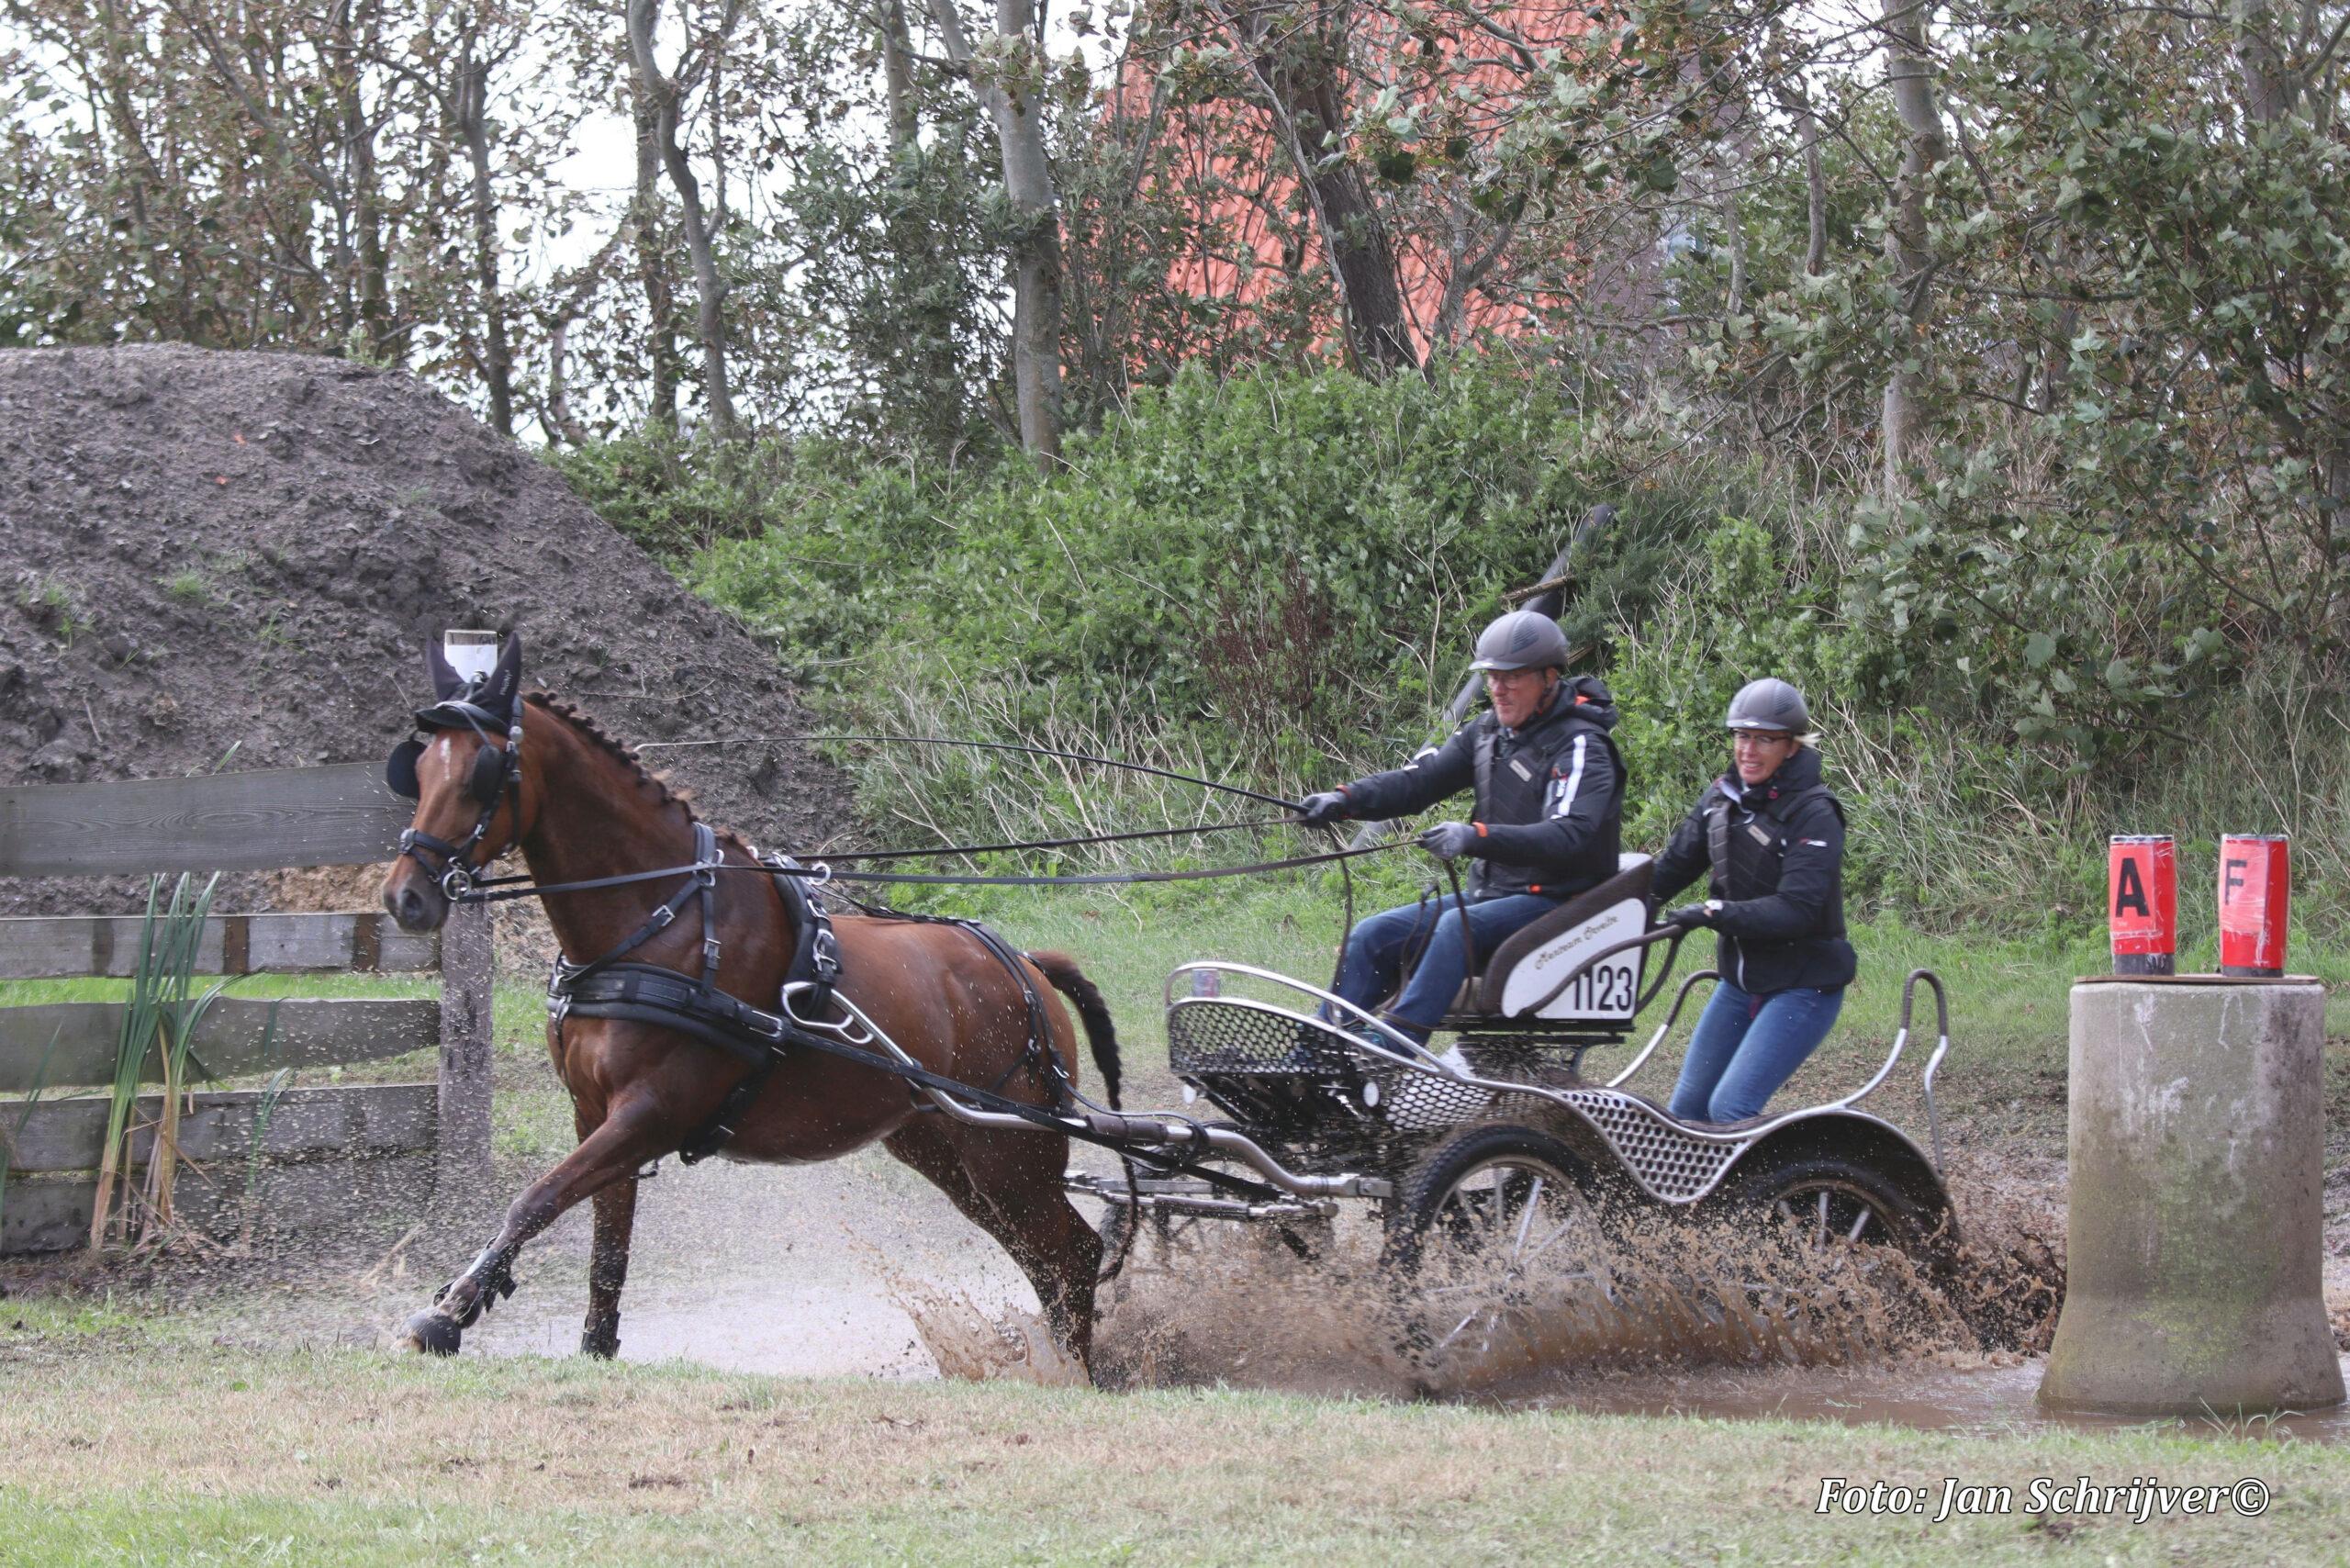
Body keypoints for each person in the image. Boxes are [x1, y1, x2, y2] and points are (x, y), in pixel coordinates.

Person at [1297, 610, 1625, 1046]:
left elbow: (1569, 835)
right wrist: (1345, 800)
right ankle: (1316, 1054)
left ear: (1549, 677)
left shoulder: (1582, 745)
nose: (1498, 689)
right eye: (1491, 676)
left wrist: (1475, 838)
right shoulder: (1487, 732)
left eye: (1512, 677)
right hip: (1494, 897)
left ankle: (1389, 1051)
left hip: (1559, 904)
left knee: (1456, 928)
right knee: (1372, 935)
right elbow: (1419, 783)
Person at [1647, 678, 1855, 1124]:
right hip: (1741, 983)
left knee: (1730, 1109)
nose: (1749, 750)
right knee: (1687, 1112)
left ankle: (1801, 1167)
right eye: (1742, 736)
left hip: (1804, 985)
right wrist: (1614, 907)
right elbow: (1670, 870)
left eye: (1765, 740)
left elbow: (1795, 910)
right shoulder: (1721, 799)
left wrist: (1714, 912)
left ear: (1792, 747)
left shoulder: (1815, 813)